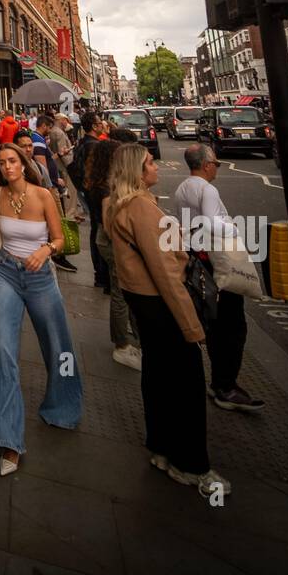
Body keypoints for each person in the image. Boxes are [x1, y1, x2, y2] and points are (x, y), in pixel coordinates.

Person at [104, 144, 230, 499]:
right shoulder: (142, 208)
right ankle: (190, 465)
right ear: (137, 172)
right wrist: (192, 327)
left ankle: (161, 448)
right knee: (187, 385)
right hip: (160, 303)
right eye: (149, 163)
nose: (156, 167)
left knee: (157, 376)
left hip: (142, 302)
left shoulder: (119, 204)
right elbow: (165, 272)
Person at [0, 143, 83, 475]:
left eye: (12, 161)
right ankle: (9, 440)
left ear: (23, 163)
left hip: (39, 279)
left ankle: (63, 406)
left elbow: (61, 238)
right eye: (2, 162)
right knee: (5, 353)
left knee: (58, 347)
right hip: (7, 273)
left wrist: (47, 250)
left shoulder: (43, 196)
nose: (7, 167)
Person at [173, 145, 265, 413]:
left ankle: (219, 382)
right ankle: (226, 386)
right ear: (206, 164)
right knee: (233, 327)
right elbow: (213, 224)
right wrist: (235, 227)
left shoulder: (182, 189)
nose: (218, 167)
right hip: (216, 262)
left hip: (197, 260)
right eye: (216, 163)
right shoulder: (207, 189)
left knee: (215, 324)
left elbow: (188, 225)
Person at [87, 139, 142, 369]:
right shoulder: (105, 188)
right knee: (121, 293)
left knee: (122, 291)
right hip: (111, 241)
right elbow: (109, 224)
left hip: (105, 239)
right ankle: (122, 344)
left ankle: (131, 339)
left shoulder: (97, 182)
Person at [12, 130, 77, 273]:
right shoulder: (9, 170)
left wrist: (57, 216)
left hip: (38, 224)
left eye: (30, 145)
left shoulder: (39, 168)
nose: (28, 149)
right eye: (23, 146)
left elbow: (50, 191)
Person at [70, 112, 108, 290]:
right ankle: (101, 273)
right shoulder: (94, 146)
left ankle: (99, 273)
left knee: (96, 230)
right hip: (96, 194)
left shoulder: (82, 143)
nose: (102, 124)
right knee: (99, 231)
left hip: (88, 193)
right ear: (94, 126)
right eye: (100, 122)